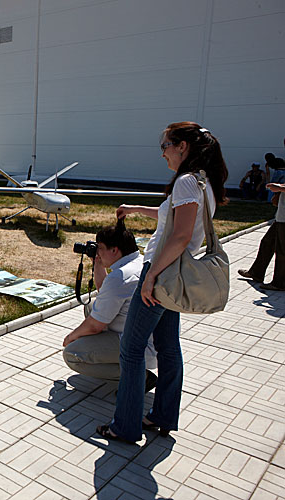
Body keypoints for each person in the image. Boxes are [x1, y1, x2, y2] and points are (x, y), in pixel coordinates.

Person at [97, 122, 228, 443]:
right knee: (169, 348)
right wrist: (135, 209)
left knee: (131, 349)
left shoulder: (185, 181)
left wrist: (151, 276)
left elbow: (181, 235)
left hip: (161, 274)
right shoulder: (201, 183)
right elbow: (174, 217)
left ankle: (124, 426)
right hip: (173, 275)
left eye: (166, 146)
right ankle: (163, 415)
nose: (163, 153)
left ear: (183, 146)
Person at [62, 221, 158, 390]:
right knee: (92, 306)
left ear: (114, 250)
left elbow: (95, 326)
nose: (97, 251)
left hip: (139, 347)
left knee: (71, 353)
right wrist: (98, 264)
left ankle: (139, 376)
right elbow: (106, 293)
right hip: (150, 338)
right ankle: (116, 360)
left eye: (100, 247)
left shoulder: (121, 277)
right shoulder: (139, 262)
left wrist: (71, 337)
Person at [238, 182, 285, 291]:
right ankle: (256, 272)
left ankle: (280, 283)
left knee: (282, 250)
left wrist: (279, 188)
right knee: (267, 242)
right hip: (281, 217)